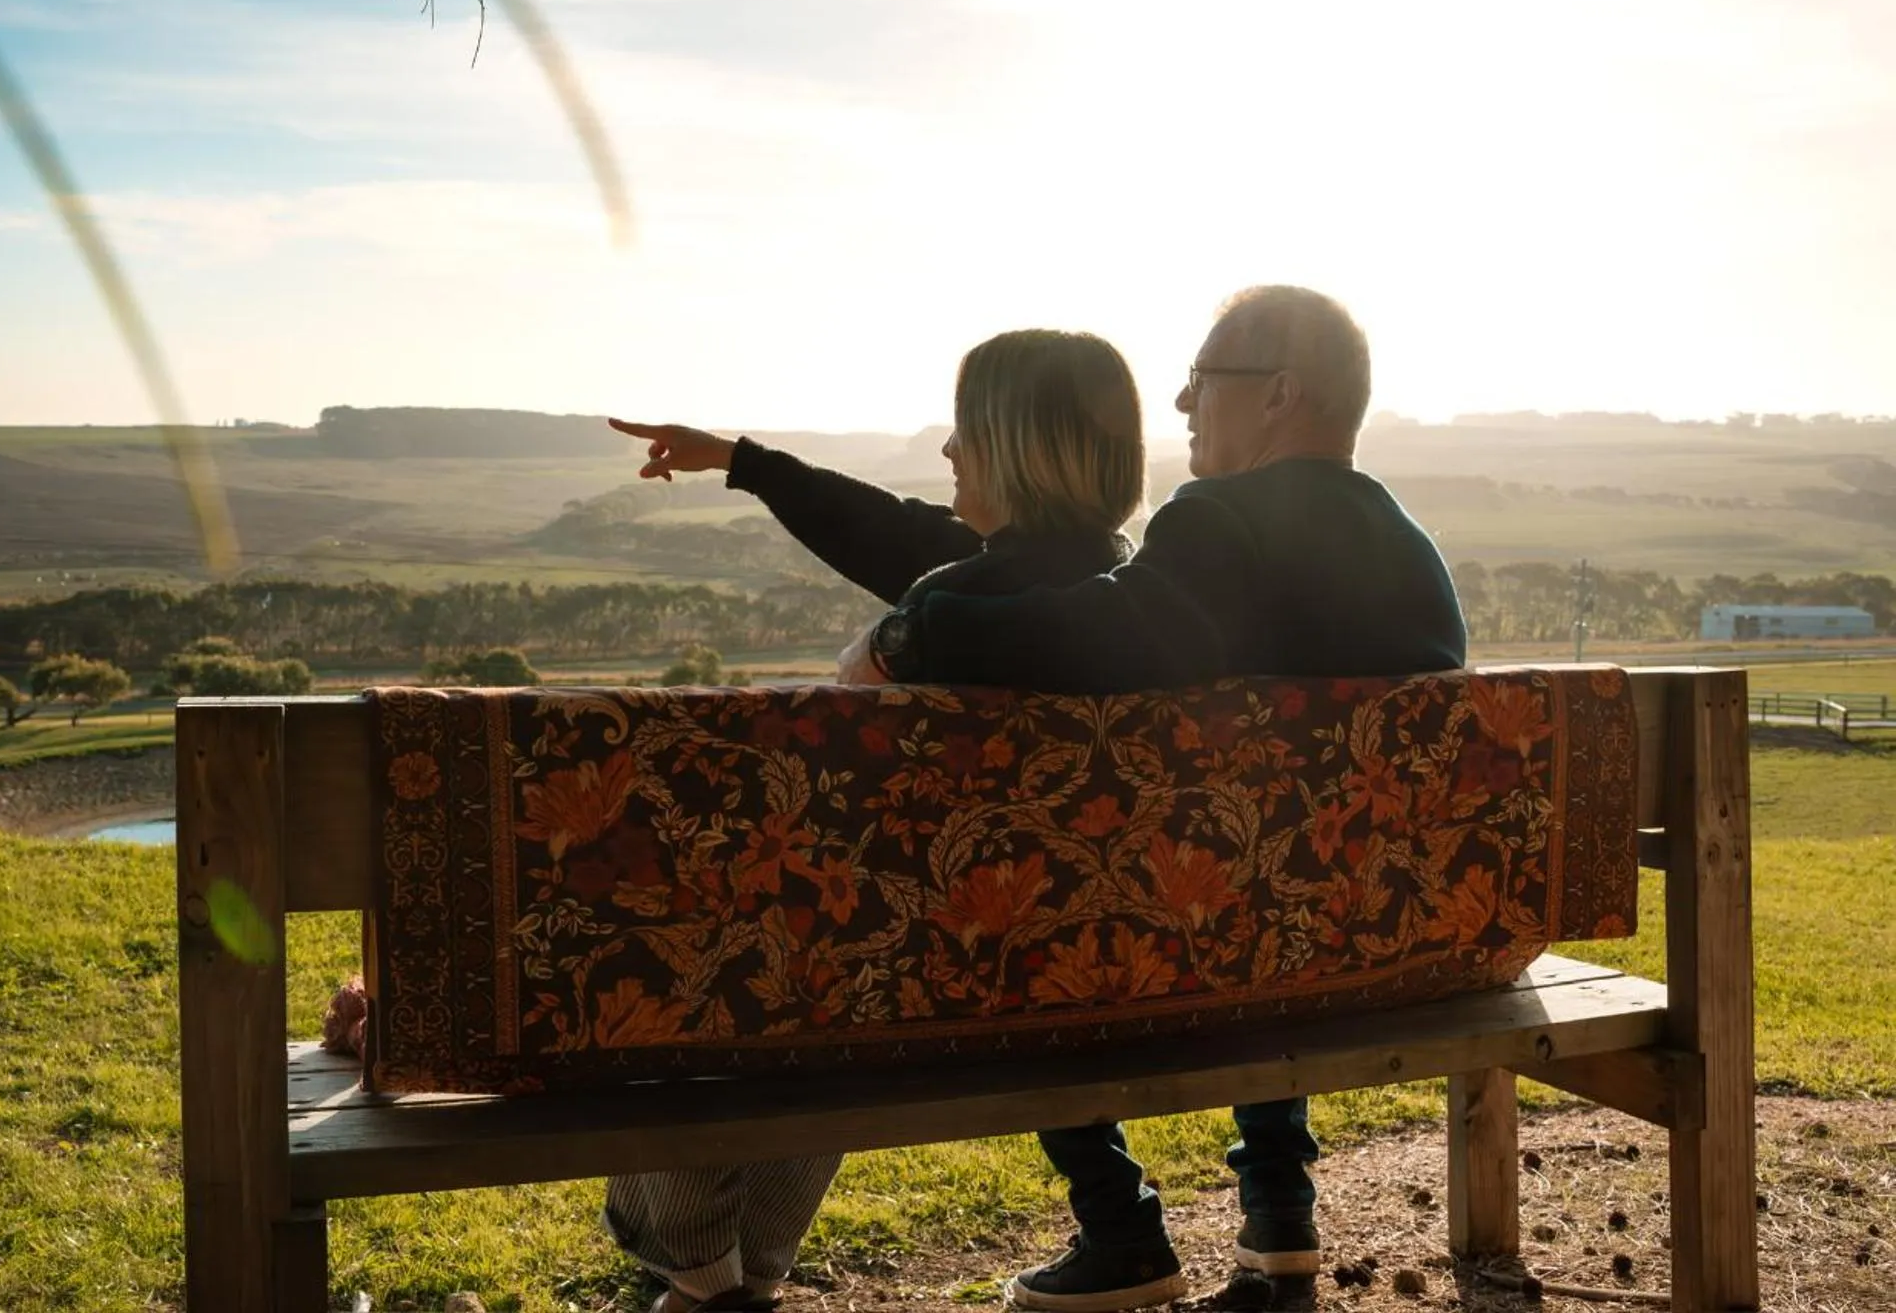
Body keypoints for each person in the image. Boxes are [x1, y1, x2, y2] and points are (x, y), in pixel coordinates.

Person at [847, 286, 1466, 1312]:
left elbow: (1116, 636)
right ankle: (1279, 1226)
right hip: (1402, 939)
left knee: (1028, 915)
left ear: (1279, 395)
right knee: (1276, 867)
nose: (1180, 403)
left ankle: (1122, 1228)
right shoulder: (1413, 553)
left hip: (1221, 948)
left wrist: (911, 635)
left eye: (1202, 381)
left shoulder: (1223, 520)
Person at [603, 327, 1153, 1313]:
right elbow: (897, 533)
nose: (945, 451)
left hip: (909, 991)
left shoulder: (948, 614)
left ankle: (701, 1273)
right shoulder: (1139, 601)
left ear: (1020, 446)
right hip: (1090, 972)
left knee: (715, 961)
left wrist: (885, 637)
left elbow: (910, 587)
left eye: (966, 430)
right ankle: (734, 1281)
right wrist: (744, 463)